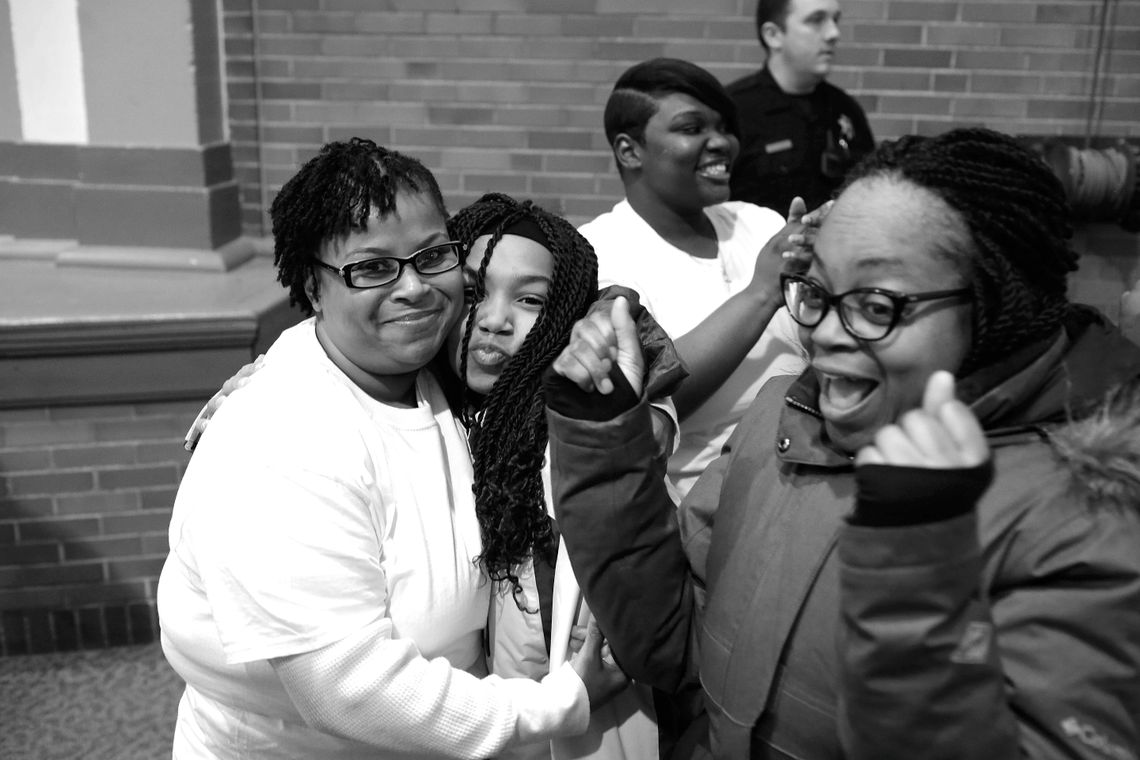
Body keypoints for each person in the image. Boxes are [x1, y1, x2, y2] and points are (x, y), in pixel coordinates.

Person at [545, 128, 1140, 758]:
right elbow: (673, 642)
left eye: (877, 305)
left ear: (996, 306)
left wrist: (916, 574)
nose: (825, 333)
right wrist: (608, 432)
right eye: (817, 293)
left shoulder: (1091, 512)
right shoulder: (784, 418)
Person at [157, 139, 620, 760]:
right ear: (313, 288)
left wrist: (624, 318)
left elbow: (568, 299)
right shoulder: (279, 441)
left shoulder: (436, 374)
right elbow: (346, 689)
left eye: (431, 256)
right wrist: (556, 705)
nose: (415, 288)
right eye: (373, 268)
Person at [446, 192, 680, 760]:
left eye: (529, 299)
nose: (495, 321)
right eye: (474, 292)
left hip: (585, 716)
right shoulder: (434, 411)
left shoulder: (569, 434)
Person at [580, 57, 811, 499]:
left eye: (722, 127)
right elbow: (642, 402)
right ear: (630, 151)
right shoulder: (599, 252)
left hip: (804, 478)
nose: (721, 142)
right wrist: (763, 292)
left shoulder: (756, 222)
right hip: (703, 508)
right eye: (692, 129)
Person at [727, 0, 874, 215]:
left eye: (835, 20)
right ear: (773, 35)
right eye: (816, 20)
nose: (833, 33)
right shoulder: (734, 110)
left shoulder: (845, 110)